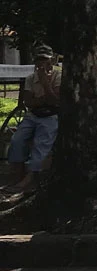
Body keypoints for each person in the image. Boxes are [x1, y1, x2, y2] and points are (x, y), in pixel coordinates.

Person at [7, 45, 61, 192]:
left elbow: (55, 101)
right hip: (33, 115)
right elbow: (28, 101)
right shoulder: (30, 78)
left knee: (41, 142)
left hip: (50, 116)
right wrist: (44, 99)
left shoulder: (58, 76)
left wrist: (45, 83)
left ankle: (31, 178)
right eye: (39, 60)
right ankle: (16, 176)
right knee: (16, 140)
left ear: (52, 61)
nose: (41, 63)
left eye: (45, 60)